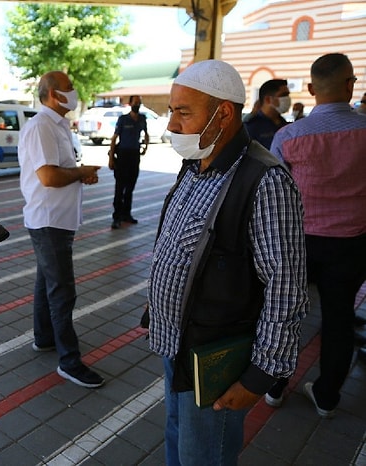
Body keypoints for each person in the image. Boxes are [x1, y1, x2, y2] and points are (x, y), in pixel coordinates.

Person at [147, 59, 308, 465]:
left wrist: (259, 376)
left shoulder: (265, 180)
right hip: (177, 342)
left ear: (223, 113)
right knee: (178, 435)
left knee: (203, 455)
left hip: (215, 358)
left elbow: (286, 287)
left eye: (184, 112)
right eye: (172, 111)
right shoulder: (194, 165)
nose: (172, 125)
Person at [270, 52, 366, 418]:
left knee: (284, 314)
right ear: (350, 84)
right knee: (339, 317)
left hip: (298, 244)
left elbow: (274, 191)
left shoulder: (289, 135)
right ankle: (327, 396)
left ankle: (275, 385)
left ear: (310, 89)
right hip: (353, 245)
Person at [18, 70, 104, 389]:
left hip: (56, 219)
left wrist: (80, 174)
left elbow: (59, 171)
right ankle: (69, 361)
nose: (74, 93)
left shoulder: (57, 125)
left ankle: (44, 338)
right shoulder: (42, 126)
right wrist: (80, 172)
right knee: (62, 291)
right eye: (69, 88)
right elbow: (49, 177)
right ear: (53, 95)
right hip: (49, 220)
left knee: (47, 282)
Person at [107, 95, 149, 229]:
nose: (137, 104)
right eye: (135, 102)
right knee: (120, 188)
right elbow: (114, 138)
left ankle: (127, 214)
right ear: (130, 104)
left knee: (130, 187)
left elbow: (146, 134)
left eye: (139, 102)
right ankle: (116, 217)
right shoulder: (123, 119)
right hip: (122, 155)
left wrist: (145, 148)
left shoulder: (142, 119)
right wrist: (111, 158)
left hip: (134, 156)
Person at [244, 78, 291, 149]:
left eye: (287, 95)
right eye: (283, 95)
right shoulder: (251, 126)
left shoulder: (284, 124)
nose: (287, 99)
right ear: (268, 99)